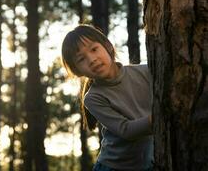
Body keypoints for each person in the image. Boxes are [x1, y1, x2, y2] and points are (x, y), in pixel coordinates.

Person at [61, 24, 153, 171]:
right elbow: (126, 130)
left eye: (94, 49)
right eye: (81, 59)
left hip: (149, 164)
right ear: (77, 71)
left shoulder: (145, 72)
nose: (91, 59)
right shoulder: (93, 98)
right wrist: (161, 119)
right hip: (113, 167)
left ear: (108, 46)